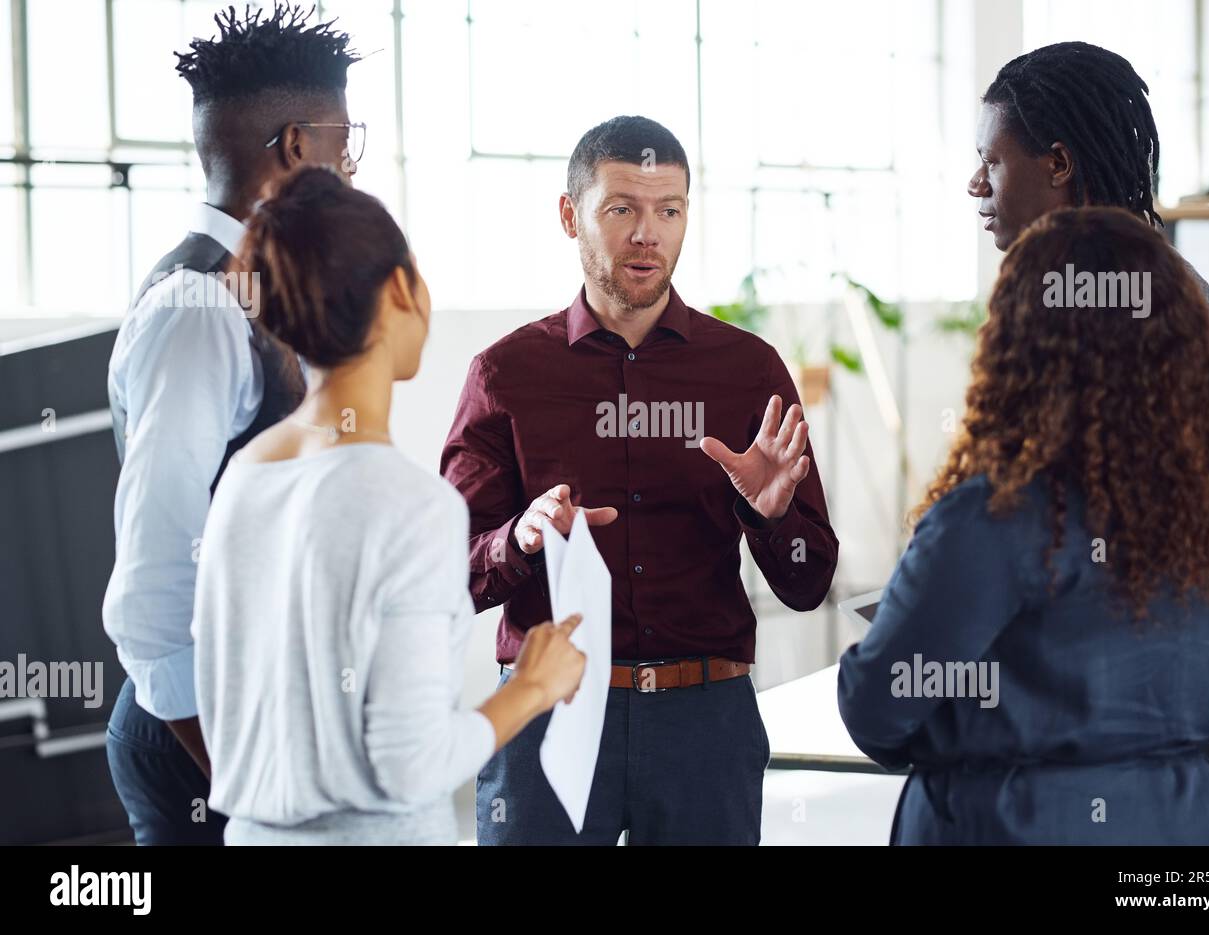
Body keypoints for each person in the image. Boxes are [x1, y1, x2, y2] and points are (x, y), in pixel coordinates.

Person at [441, 115, 839, 845]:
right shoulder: (504, 375)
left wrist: (771, 516)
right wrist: (519, 538)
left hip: (704, 722)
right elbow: (449, 576)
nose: (647, 234)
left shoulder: (748, 371)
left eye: (669, 210)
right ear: (571, 215)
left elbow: (808, 585)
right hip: (549, 713)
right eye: (621, 208)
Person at [837, 207, 1209, 845]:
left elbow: (877, 710)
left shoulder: (993, 518)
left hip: (1014, 824)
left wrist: (976, 717)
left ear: (1022, 352)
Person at [191, 166, 587, 846]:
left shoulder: (243, 479)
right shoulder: (410, 504)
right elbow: (413, 764)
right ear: (402, 287)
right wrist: (533, 685)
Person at [103, 4, 365, 844]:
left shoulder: (254, 288)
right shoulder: (198, 308)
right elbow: (148, 591)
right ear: (295, 148)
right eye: (342, 139)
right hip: (203, 736)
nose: (351, 164)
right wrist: (238, 780)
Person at [969, 40, 1209, 357]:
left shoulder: (1069, 304)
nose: (976, 184)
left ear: (1059, 164)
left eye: (990, 162)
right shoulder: (1187, 290)